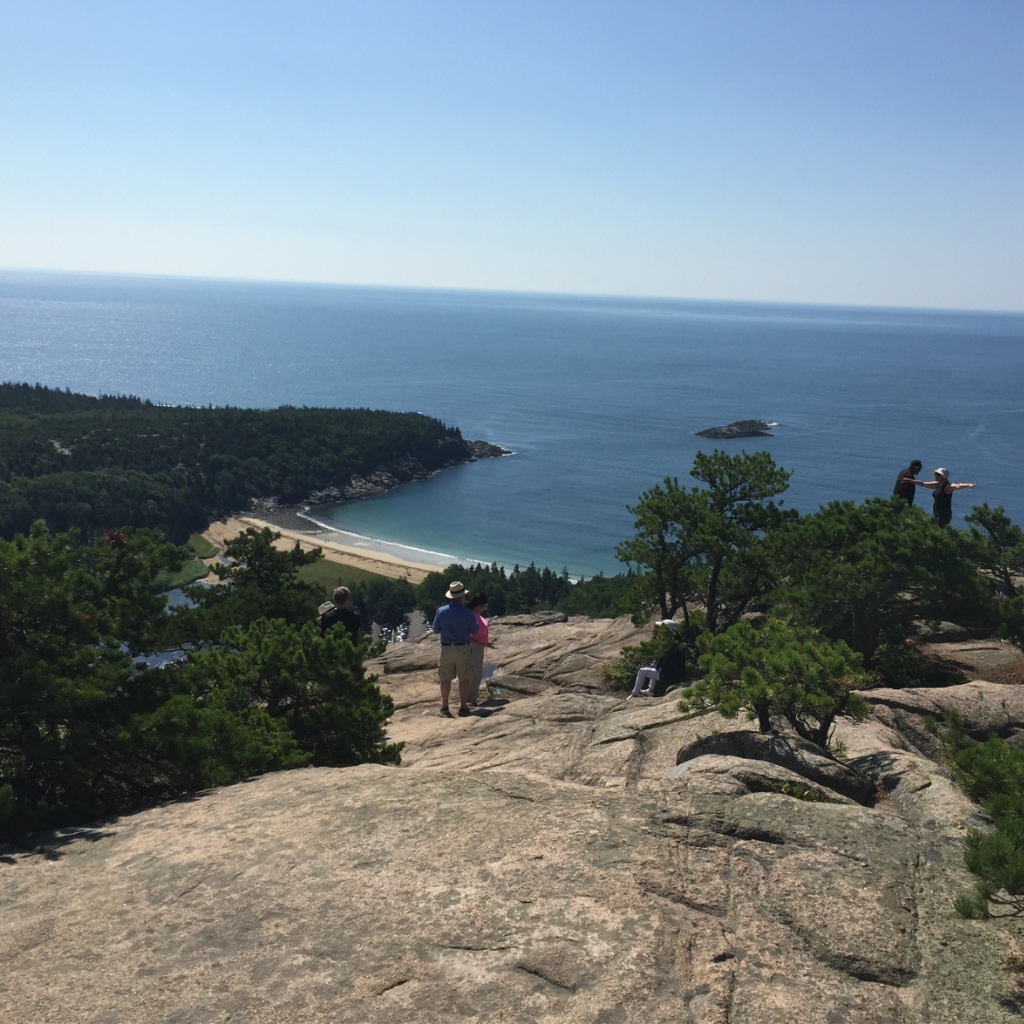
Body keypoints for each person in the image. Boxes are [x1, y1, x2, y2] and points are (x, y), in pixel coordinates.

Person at [431, 580, 480, 718]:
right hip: (462, 648)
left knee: (445, 679)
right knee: (463, 678)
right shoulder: (467, 613)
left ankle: (445, 706)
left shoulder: (441, 611)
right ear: (461, 597)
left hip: (446, 648)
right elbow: (475, 630)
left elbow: (436, 630)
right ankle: (463, 706)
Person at [628, 621, 686, 698]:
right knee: (653, 666)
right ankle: (650, 690)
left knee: (642, 671)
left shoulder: (668, 645)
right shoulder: (678, 642)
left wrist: (654, 665)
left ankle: (634, 694)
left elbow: (659, 664)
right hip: (677, 674)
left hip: (668, 676)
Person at [905, 467, 976, 526]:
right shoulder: (937, 484)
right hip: (937, 512)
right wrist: (909, 480)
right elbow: (923, 483)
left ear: (943, 477)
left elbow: (957, 486)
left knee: (937, 530)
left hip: (944, 515)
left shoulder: (948, 486)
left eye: (938, 475)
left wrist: (968, 485)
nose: (935, 476)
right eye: (936, 474)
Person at [465, 592, 497, 705]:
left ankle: (471, 696)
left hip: (478, 647)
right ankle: (470, 698)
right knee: (473, 674)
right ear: (479, 605)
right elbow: (467, 637)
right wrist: (486, 645)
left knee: (475, 673)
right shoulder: (471, 616)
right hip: (473, 648)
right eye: (484, 606)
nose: (484, 608)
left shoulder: (473, 614)